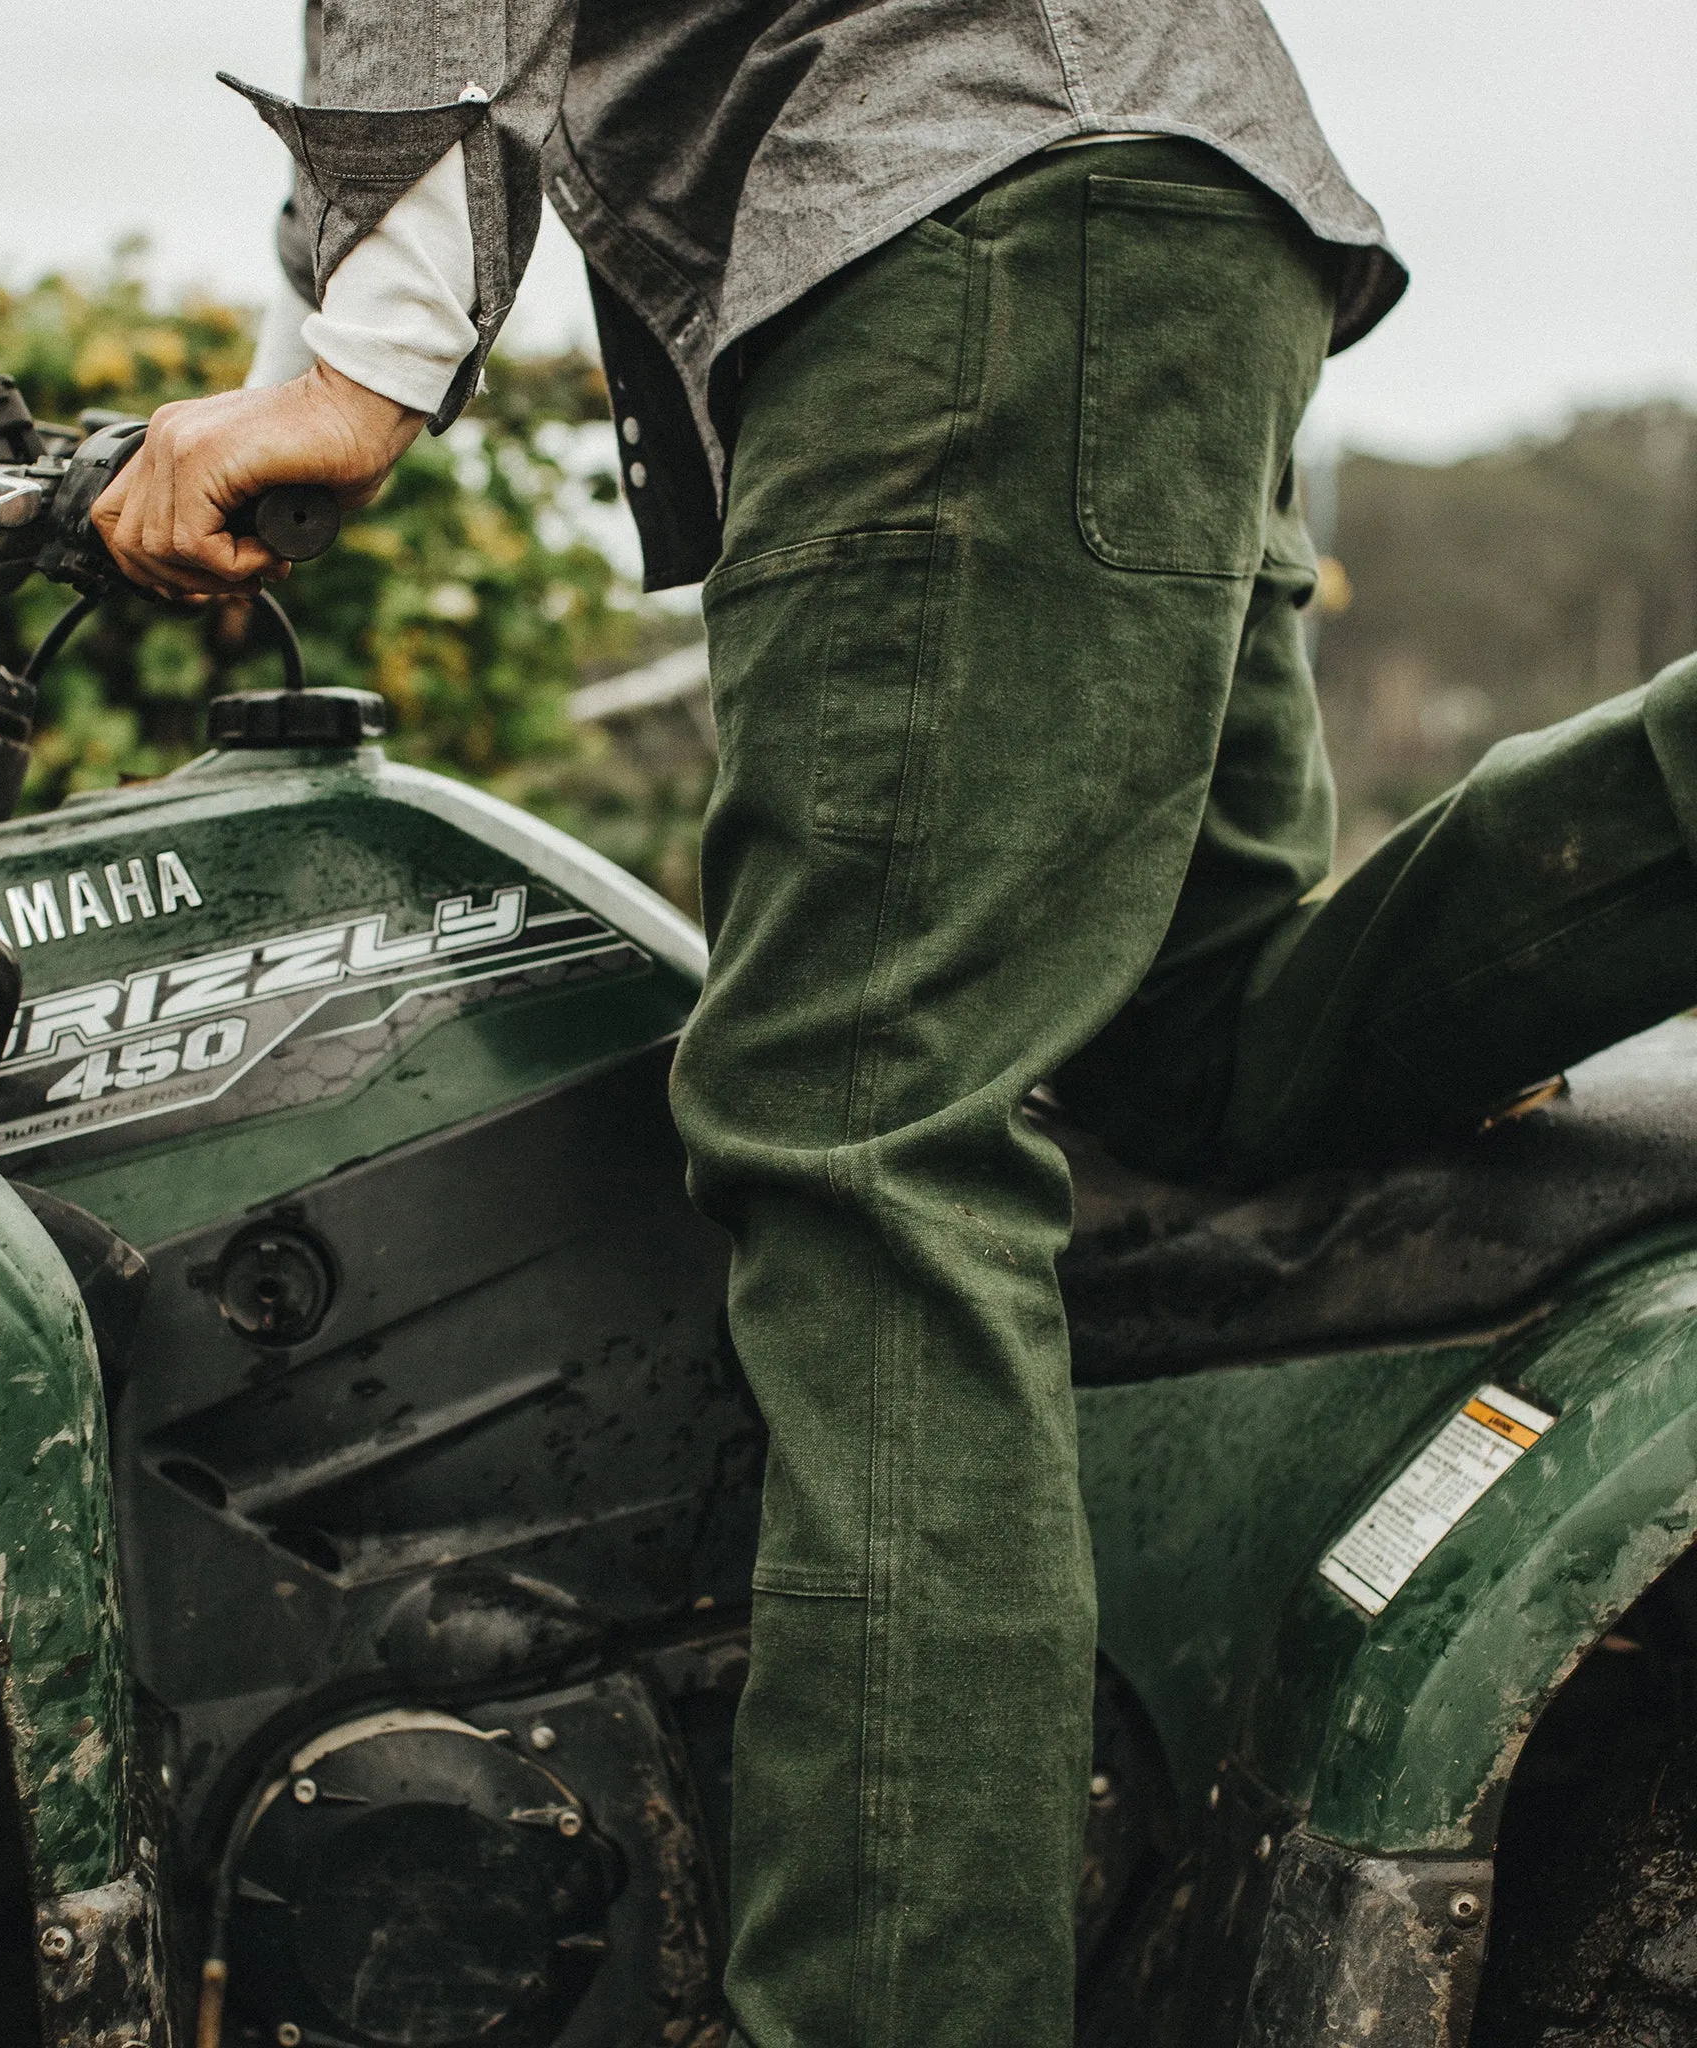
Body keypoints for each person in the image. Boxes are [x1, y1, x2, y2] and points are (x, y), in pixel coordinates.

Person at [93, 7, 1697, 2043]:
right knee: (1181, 1037)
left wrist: (349, 371)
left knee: (854, 1126)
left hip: (969, 229)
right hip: (1159, 226)